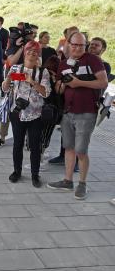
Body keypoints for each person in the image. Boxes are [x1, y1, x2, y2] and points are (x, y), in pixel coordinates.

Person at [47, 31, 108, 200]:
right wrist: (60, 84)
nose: (77, 48)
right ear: (69, 44)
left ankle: (82, 183)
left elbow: (103, 82)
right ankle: (68, 181)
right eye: (74, 44)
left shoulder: (93, 60)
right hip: (68, 111)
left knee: (81, 150)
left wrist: (78, 82)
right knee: (69, 148)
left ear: (85, 45)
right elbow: (59, 89)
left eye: (81, 45)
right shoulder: (64, 63)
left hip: (87, 112)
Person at [3, 41, 52, 188]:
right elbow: (6, 88)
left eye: (35, 52)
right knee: (17, 144)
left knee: (35, 146)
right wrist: (6, 81)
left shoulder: (43, 72)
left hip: (35, 115)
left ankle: (35, 175)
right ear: (25, 53)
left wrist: (32, 82)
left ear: (38, 55)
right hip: (17, 113)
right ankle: (17, 171)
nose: (32, 53)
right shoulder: (16, 69)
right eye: (29, 51)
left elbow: (46, 93)